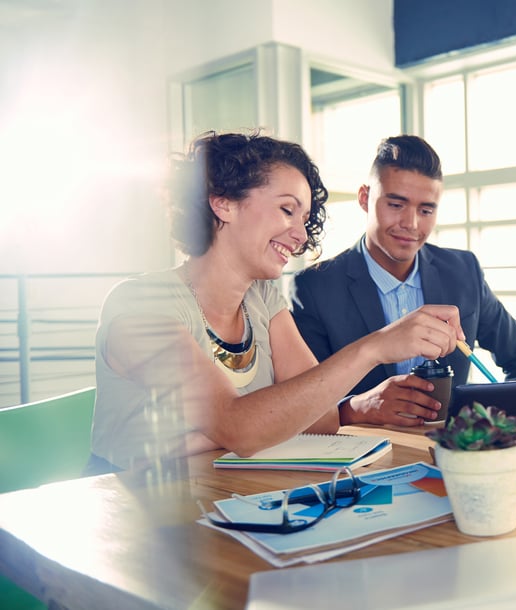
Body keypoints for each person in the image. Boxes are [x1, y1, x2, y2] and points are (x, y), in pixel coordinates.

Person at [89, 131, 463, 472]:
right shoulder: (140, 305)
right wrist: (374, 348)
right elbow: (241, 429)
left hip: (220, 495)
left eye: (304, 218)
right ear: (223, 203)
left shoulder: (263, 299)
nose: (300, 236)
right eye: (287, 210)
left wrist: (202, 437)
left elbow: (319, 418)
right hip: (133, 511)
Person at [289, 135, 516, 427]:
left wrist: (486, 427)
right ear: (364, 198)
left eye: (426, 210)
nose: (411, 224)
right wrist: (359, 408)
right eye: (396, 205)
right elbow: (297, 405)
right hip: (359, 460)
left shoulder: (463, 271)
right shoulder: (315, 288)